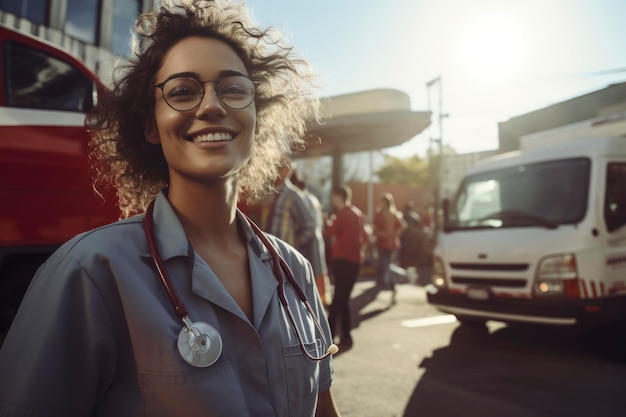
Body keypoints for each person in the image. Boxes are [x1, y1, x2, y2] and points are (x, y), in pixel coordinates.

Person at [0, 1, 341, 416]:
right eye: (182, 91)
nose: (212, 105)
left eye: (233, 88)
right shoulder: (89, 272)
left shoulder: (296, 272)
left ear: (257, 115)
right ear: (148, 125)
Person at [324, 186, 367, 351]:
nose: (332, 200)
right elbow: (364, 237)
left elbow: (327, 232)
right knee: (342, 299)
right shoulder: (357, 213)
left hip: (343, 260)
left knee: (338, 300)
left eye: (333, 197)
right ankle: (345, 336)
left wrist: (326, 220)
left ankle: (330, 334)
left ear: (339, 197)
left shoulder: (342, 215)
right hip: (354, 261)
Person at [290, 170, 331, 306]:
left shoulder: (303, 199)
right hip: (317, 241)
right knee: (319, 272)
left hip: (308, 244)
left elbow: (310, 226)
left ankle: (315, 306)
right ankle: (322, 303)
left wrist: (298, 241)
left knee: (309, 277)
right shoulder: (313, 199)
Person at [373, 193, 407, 304]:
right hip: (382, 243)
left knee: (388, 265)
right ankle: (387, 284)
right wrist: (381, 233)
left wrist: (395, 234)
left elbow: (403, 226)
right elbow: (375, 227)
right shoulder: (379, 214)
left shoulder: (394, 214)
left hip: (392, 244)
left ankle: (390, 284)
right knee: (384, 264)